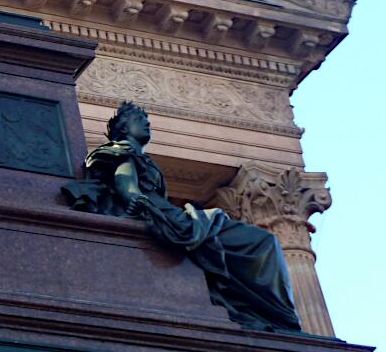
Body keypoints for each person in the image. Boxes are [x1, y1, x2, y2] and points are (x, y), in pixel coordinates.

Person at [62, 101, 302, 333]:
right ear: (123, 128)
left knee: (262, 243)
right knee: (262, 242)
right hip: (167, 217)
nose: (146, 123)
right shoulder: (122, 153)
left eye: (146, 119)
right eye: (138, 119)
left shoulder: (138, 157)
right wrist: (138, 201)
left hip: (171, 216)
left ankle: (265, 314)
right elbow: (126, 184)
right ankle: (276, 316)